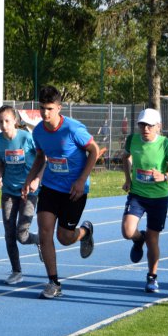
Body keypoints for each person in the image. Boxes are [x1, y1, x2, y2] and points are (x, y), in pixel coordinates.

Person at [22, 85, 97, 299]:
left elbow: (94, 150)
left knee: (64, 237)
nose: (45, 113)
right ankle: (53, 282)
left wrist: (81, 180)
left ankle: (85, 232)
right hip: (51, 187)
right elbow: (40, 157)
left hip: (75, 190)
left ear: (59, 108)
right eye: (42, 108)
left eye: (49, 108)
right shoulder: (37, 132)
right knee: (45, 231)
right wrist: (29, 180)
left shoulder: (73, 129)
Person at [120, 108, 168, 293]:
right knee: (127, 231)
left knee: (153, 239)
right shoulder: (132, 139)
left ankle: (152, 277)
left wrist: (164, 177)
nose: (145, 129)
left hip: (158, 198)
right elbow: (125, 157)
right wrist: (128, 179)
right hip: (137, 194)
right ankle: (139, 240)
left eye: (149, 125)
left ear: (158, 127)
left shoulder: (165, 144)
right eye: (142, 125)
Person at [0, 105, 43, 285]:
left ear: (15, 120)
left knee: (22, 234)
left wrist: (37, 179)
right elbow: (0, 164)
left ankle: (38, 240)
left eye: (7, 121)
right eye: (0, 121)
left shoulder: (27, 138)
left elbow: (42, 159)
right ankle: (16, 271)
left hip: (29, 190)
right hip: (8, 192)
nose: (3, 125)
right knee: (8, 233)